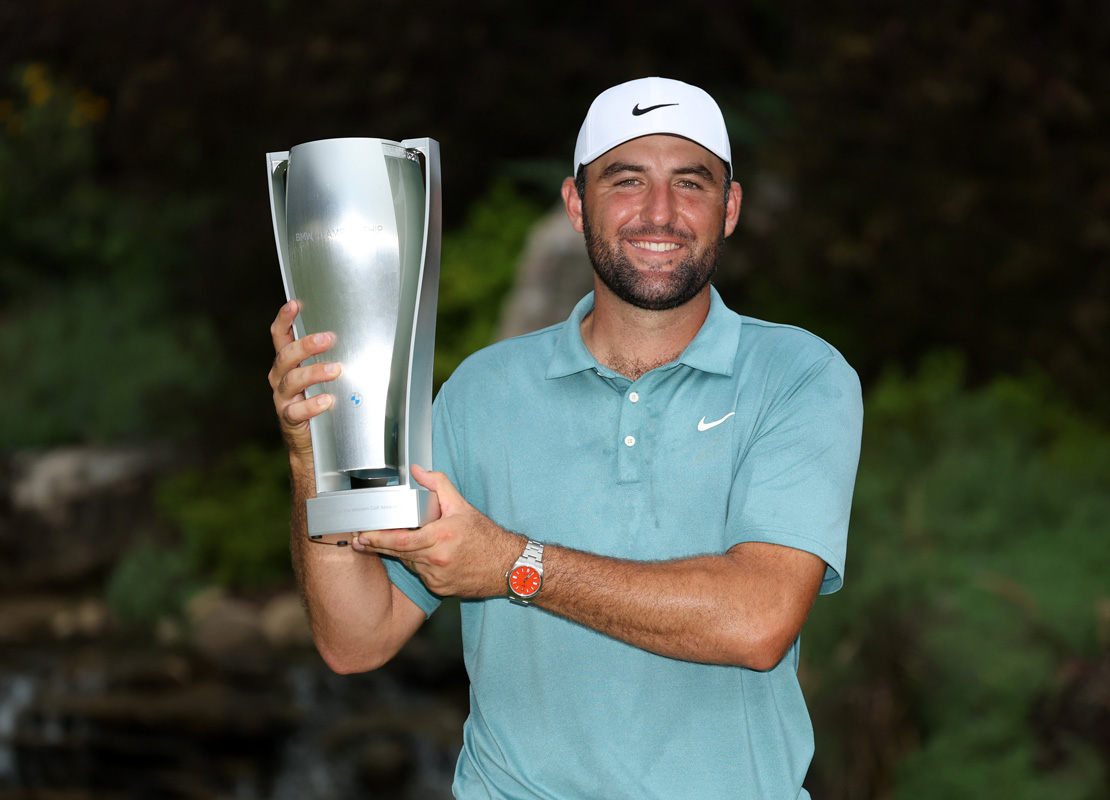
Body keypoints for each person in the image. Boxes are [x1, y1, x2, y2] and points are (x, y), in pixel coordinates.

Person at [269, 77, 863, 799]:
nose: (660, 213)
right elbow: (356, 640)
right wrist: (316, 459)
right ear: (576, 204)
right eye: (626, 180)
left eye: (691, 182)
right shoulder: (481, 393)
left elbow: (758, 620)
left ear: (729, 208)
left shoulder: (799, 375)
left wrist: (517, 565)